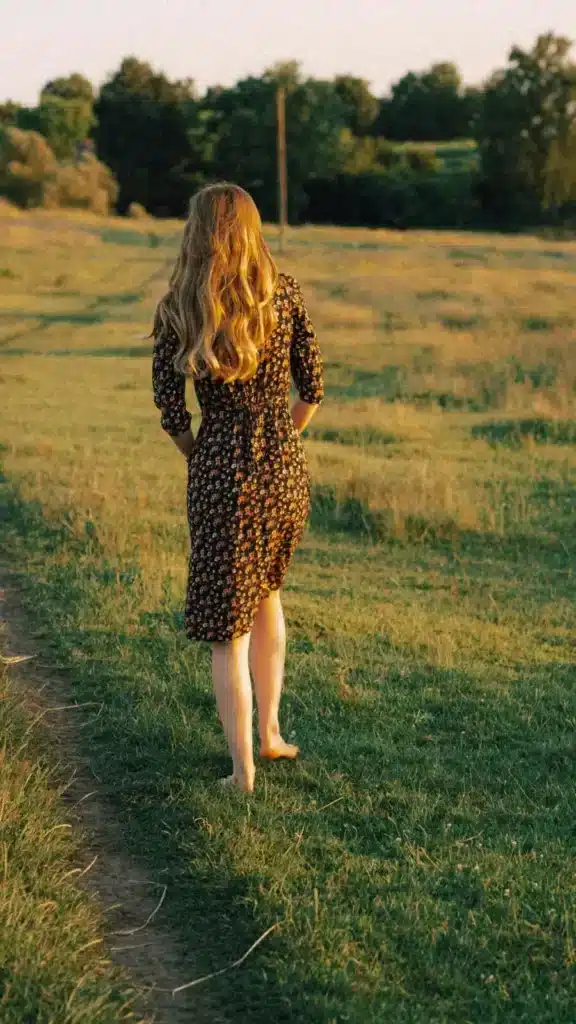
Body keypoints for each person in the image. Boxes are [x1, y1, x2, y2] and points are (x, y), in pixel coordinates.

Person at [152, 182, 324, 792]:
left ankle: (241, 770)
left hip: (222, 468)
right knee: (268, 593)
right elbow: (313, 389)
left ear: (197, 233)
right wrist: (284, 436)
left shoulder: (180, 304)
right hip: (284, 465)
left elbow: (171, 411)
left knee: (229, 630)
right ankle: (271, 735)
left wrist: (204, 454)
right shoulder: (286, 292)